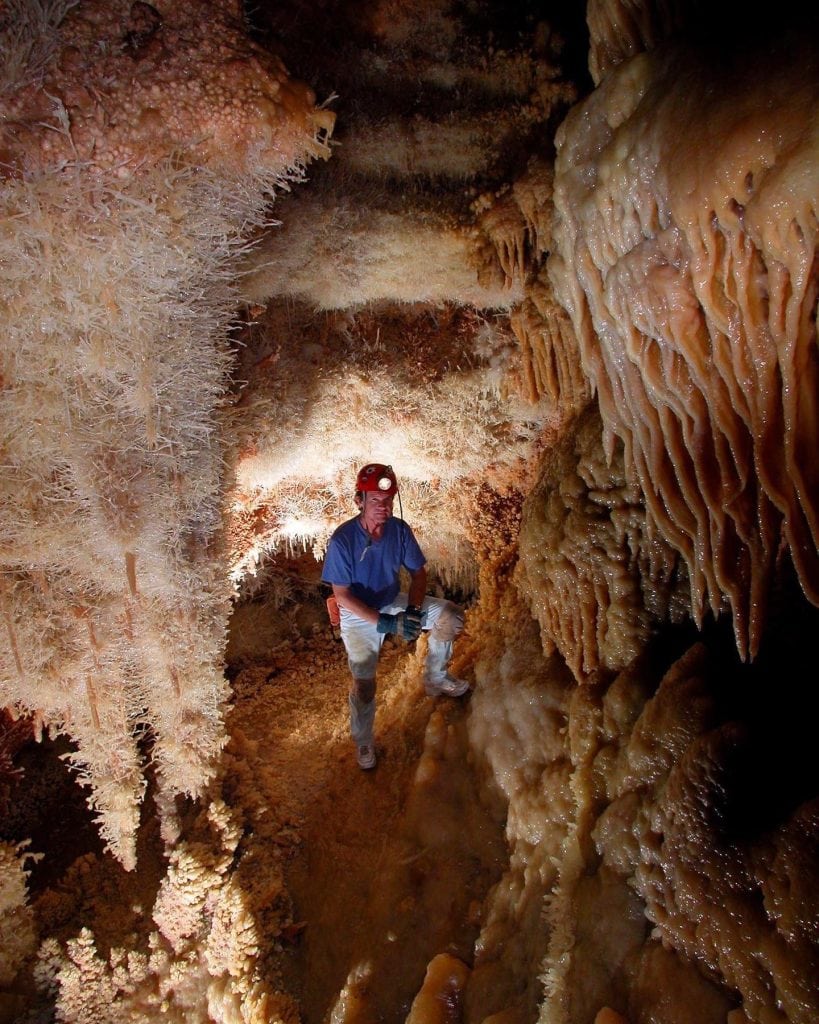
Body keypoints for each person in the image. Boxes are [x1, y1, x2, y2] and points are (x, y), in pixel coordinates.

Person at [322, 463, 469, 770]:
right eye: (375, 500)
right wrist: (387, 623)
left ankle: (436, 678)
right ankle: (363, 740)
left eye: (388, 501)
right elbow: (343, 596)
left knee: (451, 617)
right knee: (364, 683)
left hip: (391, 600)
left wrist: (413, 611)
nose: (383, 508)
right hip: (357, 611)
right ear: (359, 501)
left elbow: (418, 573)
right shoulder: (342, 541)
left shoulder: (399, 531)